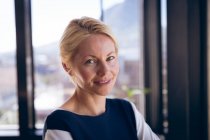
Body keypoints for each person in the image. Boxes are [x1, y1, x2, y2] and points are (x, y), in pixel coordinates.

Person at [43, 16, 160, 140]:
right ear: (67, 67)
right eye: (90, 61)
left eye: (110, 58)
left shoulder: (127, 111)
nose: (105, 71)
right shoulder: (60, 124)